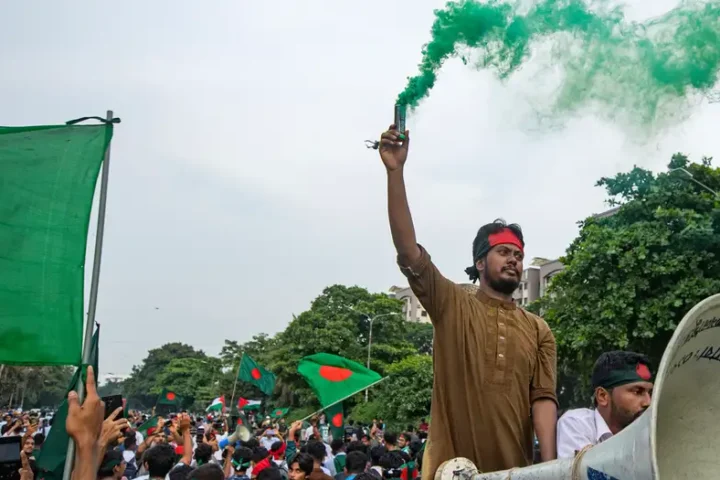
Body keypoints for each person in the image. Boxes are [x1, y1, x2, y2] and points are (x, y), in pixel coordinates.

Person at [377, 125, 558, 477]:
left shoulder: (539, 330)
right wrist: (395, 173)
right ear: (479, 263)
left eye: (518, 255)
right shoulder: (451, 304)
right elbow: (408, 251)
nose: (513, 260)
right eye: (503, 252)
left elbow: (543, 398)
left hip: (514, 473)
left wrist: (551, 467)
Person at [556, 351, 653, 458]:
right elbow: (585, 473)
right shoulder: (576, 424)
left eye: (649, 393)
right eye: (637, 391)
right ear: (602, 396)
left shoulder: (649, 432)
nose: (648, 402)